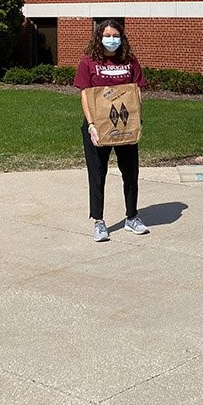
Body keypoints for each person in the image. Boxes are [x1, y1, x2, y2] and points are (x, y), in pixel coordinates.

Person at [74, 20, 149, 242]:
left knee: (131, 172)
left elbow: (137, 93)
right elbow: (86, 95)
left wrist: (137, 121)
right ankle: (98, 221)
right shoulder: (89, 61)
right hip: (97, 127)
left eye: (115, 35)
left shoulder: (129, 61)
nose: (111, 39)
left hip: (125, 125)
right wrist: (91, 126)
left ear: (121, 37)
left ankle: (132, 217)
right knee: (97, 174)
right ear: (99, 37)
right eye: (107, 35)